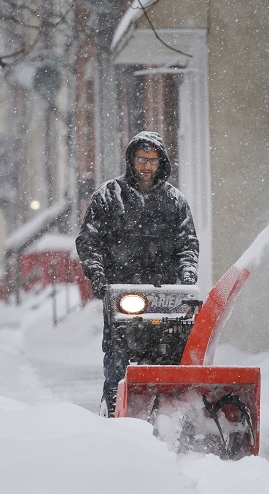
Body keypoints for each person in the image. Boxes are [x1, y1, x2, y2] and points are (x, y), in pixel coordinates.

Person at [76, 131, 199, 414]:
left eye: (153, 160)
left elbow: (187, 244)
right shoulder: (109, 196)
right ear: (131, 160)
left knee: (172, 351)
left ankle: (173, 408)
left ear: (161, 164)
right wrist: (97, 275)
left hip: (165, 295)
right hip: (122, 294)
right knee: (119, 356)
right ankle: (117, 406)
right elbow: (88, 240)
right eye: (142, 159)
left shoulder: (174, 201)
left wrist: (188, 274)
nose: (146, 166)